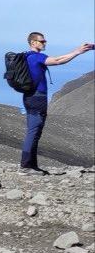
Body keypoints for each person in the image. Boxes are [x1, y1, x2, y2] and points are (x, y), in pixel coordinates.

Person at [19, 33, 94, 175]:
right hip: (37, 98)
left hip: (29, 97)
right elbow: (58, 60)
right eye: (42, 41)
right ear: (33, 42)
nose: (45, 43)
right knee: (34, 131)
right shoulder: (36, 57)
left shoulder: (26, 57)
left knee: (33, 130)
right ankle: (25, 166)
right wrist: (77, 52)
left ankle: (31, 166)